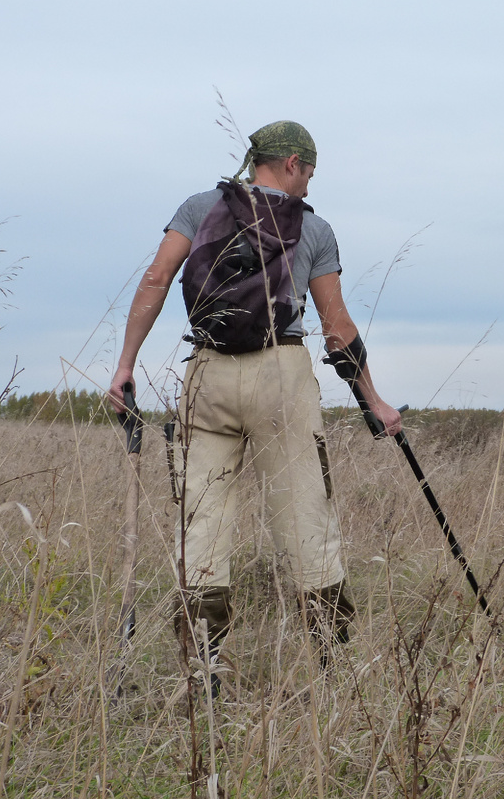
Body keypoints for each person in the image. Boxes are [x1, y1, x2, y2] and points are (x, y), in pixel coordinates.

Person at [109, 120, 402, 690]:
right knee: (305, 519)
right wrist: (374, 400)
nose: (310, 187)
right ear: (292, 162)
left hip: (206, 373)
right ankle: (333, 668)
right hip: (281, 376)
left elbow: (155, 278)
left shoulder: (198, 208)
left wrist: (125, 365)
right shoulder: (314, 230)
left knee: (201, 524)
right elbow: (335, 327)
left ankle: (204, 667)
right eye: (310, 172)